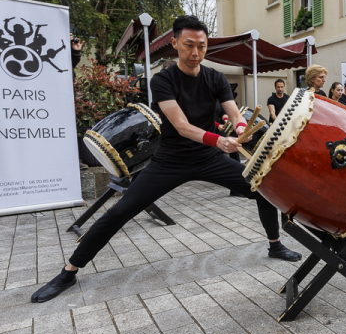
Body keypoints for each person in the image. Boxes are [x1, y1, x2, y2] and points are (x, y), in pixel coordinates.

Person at [30, 16, 302, 303]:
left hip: (207, 158)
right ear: (174, 43)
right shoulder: (163, 80)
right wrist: (218, 140)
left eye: (201, 46)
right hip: (170, 160)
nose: (195, 53)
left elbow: (235, 114)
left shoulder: (215, 78)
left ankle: (275, 245)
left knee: (263, 187)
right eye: (188, 45)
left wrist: (243, 130)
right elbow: (182, 125)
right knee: (120, 212)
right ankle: (69, 271)